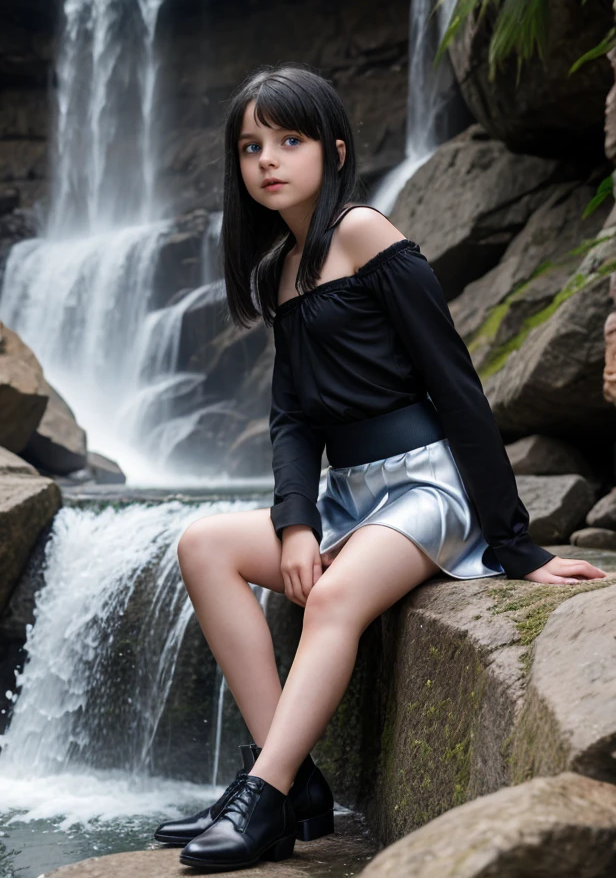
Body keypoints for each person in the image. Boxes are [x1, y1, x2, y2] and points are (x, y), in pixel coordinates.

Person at [154, 64, 606, 870]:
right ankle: (290, 785)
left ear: (332, 150)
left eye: (288, 140)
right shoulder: (277, 274)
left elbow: (456, 383)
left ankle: (258, 801)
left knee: (329, 598)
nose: (268, 160)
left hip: (426, 484)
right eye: (252, 145)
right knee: (203, 546)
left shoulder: (364, 231)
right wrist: (296, 522)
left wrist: (518, 546)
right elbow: (292, 418)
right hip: (346, 494)